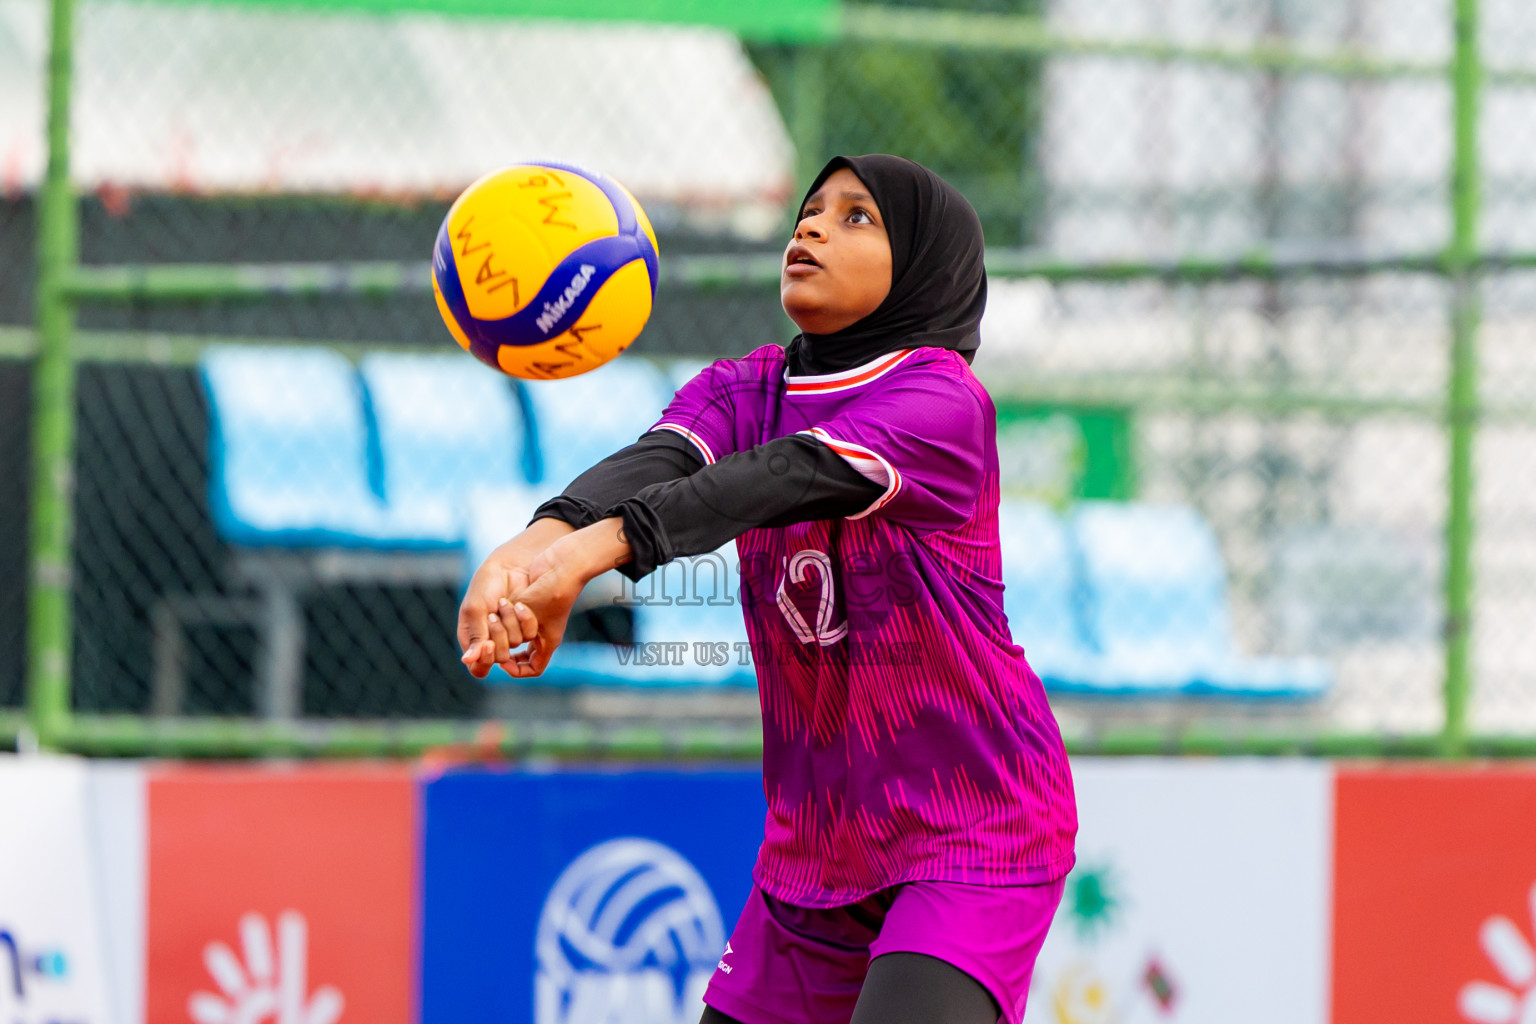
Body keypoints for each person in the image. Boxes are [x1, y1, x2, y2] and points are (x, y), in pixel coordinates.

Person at [458, 155, 1078, 1024]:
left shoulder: (944, 402)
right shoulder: (747, 385)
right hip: (815, 849)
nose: (812, 227)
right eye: (809, 210)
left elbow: (780, 476)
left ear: (926, 268)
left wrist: (589, 559)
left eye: (857, 217)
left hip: (971, 830)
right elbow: (663, 460)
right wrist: (531, 547)